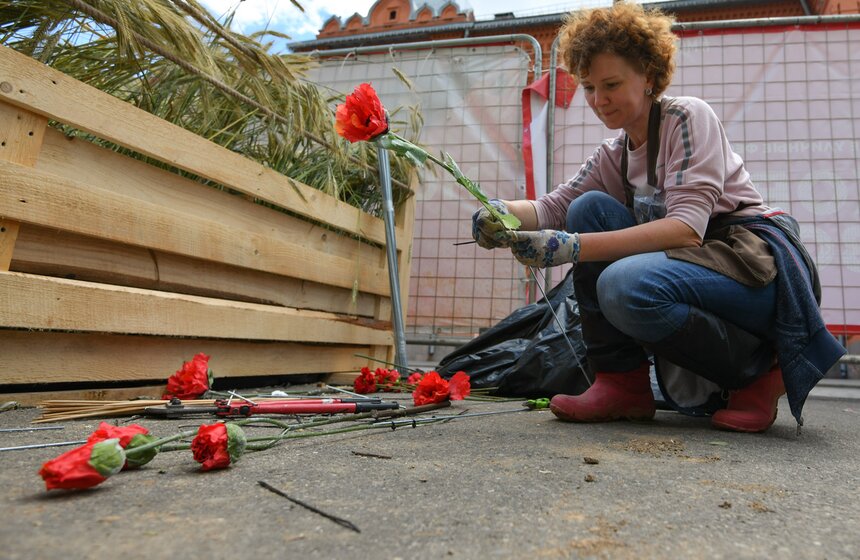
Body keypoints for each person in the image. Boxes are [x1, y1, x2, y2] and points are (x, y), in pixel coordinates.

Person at [471, 2, 845, 433]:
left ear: (648, 74)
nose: (599, 100)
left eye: (611, 84)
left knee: (624, 286)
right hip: (699, 267)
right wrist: (501, 214)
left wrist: (572, 247)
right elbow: (553, 207)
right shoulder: (615, 154)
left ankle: (761, 371)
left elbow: (686, 229)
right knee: (587, 209)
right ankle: (621, 383)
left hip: (753, 270)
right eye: (589, 87)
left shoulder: (685, 117)